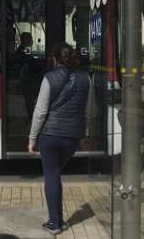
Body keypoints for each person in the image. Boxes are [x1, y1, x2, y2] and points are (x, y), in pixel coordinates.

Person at [28, 43, 90, 234]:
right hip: (71, 137)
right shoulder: (85, 78)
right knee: (55, 174)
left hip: (50, 136)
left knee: (52, 176)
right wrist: (83, 134)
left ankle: (56, 223)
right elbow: (87, 110)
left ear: (55, 59)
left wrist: (32, 138)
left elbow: (40, 112)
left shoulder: (49, 78)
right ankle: (57, 221)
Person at [17, 32, 43, 119]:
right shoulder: (24, 50)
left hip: (28, 78)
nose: (32, 40)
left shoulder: (25, 50)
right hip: (28, 79)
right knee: (30, 99)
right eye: (30, 38)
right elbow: (30, 64)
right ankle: (31, 117)